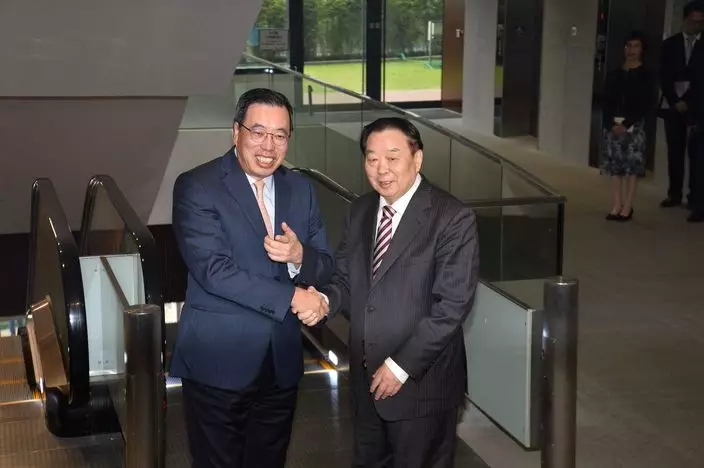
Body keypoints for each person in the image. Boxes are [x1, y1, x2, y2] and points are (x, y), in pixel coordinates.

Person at [170, 88, 333, 468]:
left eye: (280, 135)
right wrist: (294, 297)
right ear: (236, 132)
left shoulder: (300, 188)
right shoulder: (198, 185)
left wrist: (299, 256)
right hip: (217, 362)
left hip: (281, 364)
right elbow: (214, 271)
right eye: (258, 132)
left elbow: (326, 265)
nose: (269, 146)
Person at [311, 117, 479, 468]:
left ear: (417, 159)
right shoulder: (360, 211)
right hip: (366, 382)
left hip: (421, 386)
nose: (381, 169)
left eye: (392, 157)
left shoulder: (452, 217)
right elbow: (346, 280)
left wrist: (401, 366)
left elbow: (451, 307)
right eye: (372, 159)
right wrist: (325, 301)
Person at [601, 31, 655, 221]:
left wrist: (626, 123)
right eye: (628, 46)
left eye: (636, 46)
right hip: (612, 125)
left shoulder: (647, 75)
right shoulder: (614, 74)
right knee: (615, 166)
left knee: (631, 167)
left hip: (634, 126)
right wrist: (610, 123)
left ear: (642, 50)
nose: (631, 50)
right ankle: (616, 204)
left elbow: (645, 103)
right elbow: (606, 101)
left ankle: (628, 206)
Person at [659, 1, 704, 208]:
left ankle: (694, 197)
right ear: (684, 20)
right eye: (693, 21)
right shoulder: (670, 44)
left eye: (700, 22)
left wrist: (689, 101)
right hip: (673, 105)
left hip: (697, 107)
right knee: (675, 152)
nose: (697, 26)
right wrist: (675, 101)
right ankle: (674, 193)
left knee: (696, 155)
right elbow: (664, 76)